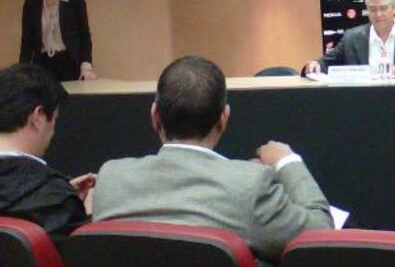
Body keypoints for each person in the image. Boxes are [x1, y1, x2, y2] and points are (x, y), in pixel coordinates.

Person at [92, 56, 332, 264]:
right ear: (223, 118)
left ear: (155, 116)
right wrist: (288, 162)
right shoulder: (251, 186)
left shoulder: (110, 179)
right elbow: (319, 239)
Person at [0, 63, 95, 239]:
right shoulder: (57, 200)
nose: (53, 131)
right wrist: (85, 213)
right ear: (38, 117)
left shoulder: (55, 195)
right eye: (55, 120)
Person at [20, 0, 96, 81]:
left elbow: (84, 35)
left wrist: (86, 65)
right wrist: (22, 72)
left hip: (69, 62)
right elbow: (27, 42)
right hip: (42, 64)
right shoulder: (31, 3)